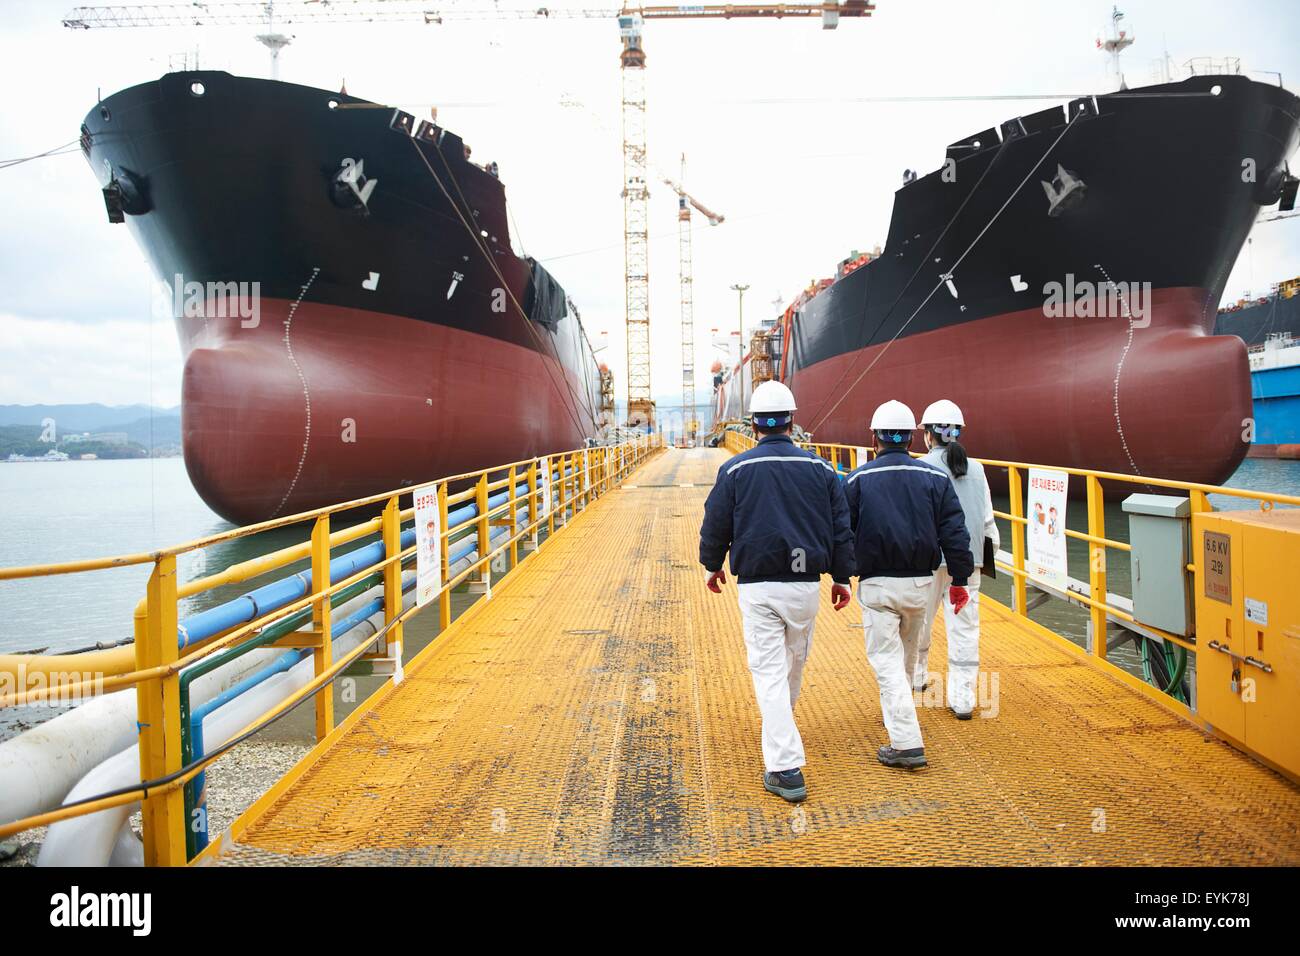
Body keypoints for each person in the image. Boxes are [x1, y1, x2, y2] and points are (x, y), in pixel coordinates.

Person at [699, 380, 854, 802]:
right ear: (793, 421)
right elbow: (841, 527)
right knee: (791, 668)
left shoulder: (735, 469)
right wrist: (842, 577)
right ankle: (781, 743)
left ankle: (786, 769)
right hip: (805, 584)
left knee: (770, 672)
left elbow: (716, 522)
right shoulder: (821, 469)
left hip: (758, 584)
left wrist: (713, 565)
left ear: (753, 424)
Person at [844, 399, 973, 769]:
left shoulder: (856, 480)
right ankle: (899, 720)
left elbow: (840, 532)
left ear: (875, 438)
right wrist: (960, 580)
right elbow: (955, 533)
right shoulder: (935, 479)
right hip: (921, 584)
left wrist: (841, 573)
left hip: (878, 584)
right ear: (912, 438)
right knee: (904, 659)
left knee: (886, 660)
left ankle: (906, 743)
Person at [917, 399, 999, 719]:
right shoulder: (977, 469)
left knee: (921, 621)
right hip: (969, 562)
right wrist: (987, 554)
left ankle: (917, 676)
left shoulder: (921, 467)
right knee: (964, 628)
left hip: (929, 561)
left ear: (927, 434)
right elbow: (988, 520)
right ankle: (963, 699)